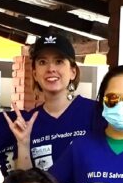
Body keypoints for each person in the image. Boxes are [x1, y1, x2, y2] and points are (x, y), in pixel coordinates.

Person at [13, 31, 99, 172]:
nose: (51, 69)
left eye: (59, 61)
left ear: (73, 71)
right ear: (34, 73)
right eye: (42, 62)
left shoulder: (95, 112)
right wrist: (23, 144)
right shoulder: (28, 122)